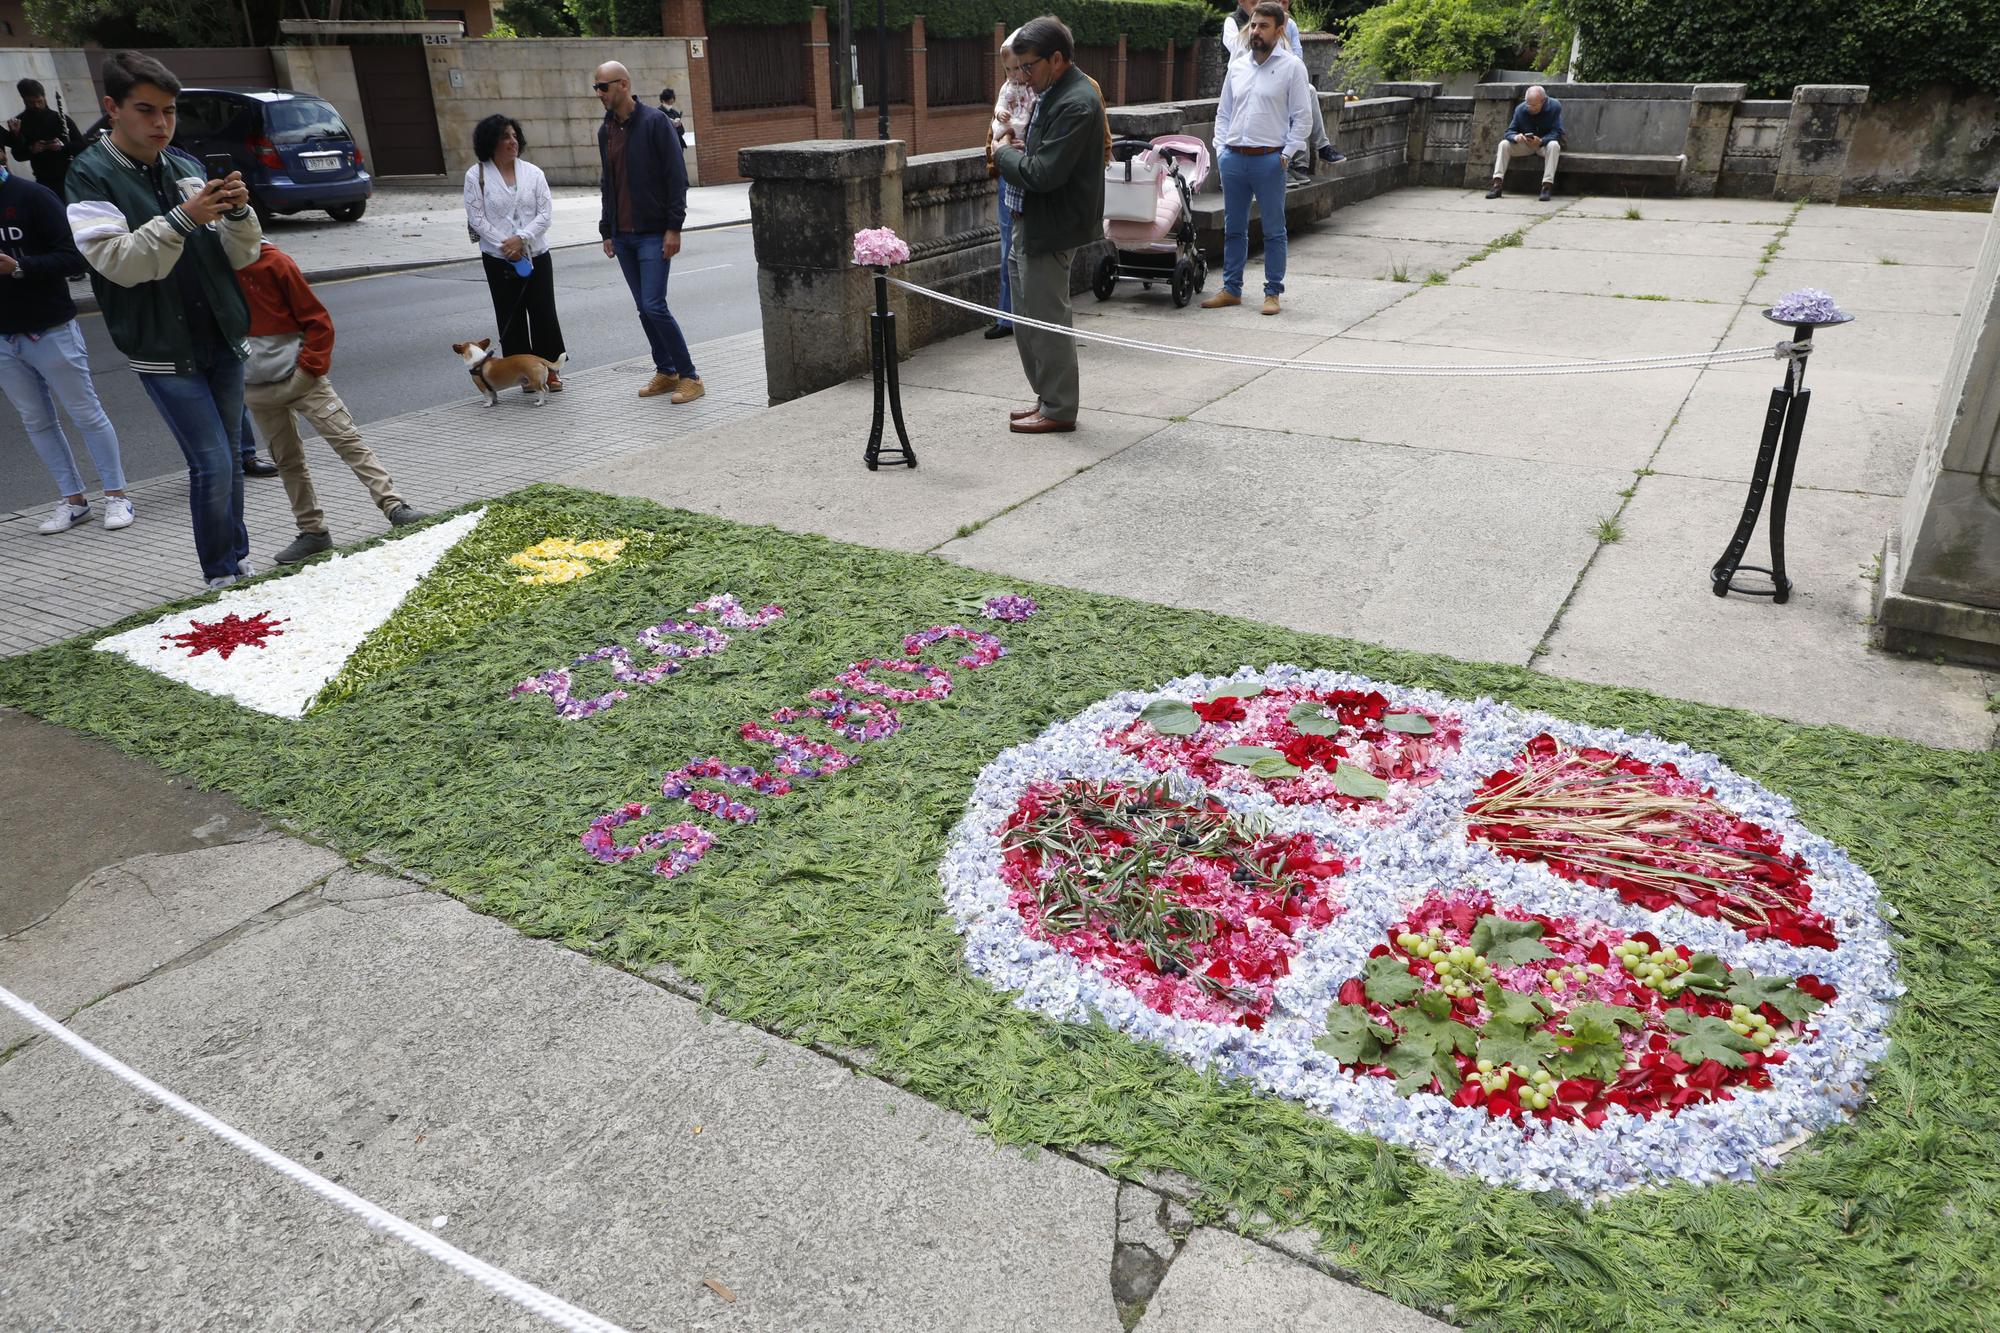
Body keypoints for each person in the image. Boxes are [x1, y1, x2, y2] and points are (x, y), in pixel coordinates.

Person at [66, 50, 261, 590]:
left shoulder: (185, 166)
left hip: (220, 332)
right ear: (112, 108)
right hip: (160, 344)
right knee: (212, 462)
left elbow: (240, 256)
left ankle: (236, 562)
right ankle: (220, 572)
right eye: (146, 110)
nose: (161, 123)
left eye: (169, 112)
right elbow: (120, 263)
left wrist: (239, 213)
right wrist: (183, 217)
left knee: (232, 460)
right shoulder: (89, 174)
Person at [237, 241, 427, 564]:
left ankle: (395, 506)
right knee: (286, 459)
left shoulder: (274, 263)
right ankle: (313, 531)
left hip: (301, 377)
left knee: (347, 439)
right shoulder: (211, 271)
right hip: (256, 386)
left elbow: (317, 319)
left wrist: (309, 369)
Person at [0, 157, 134, 535]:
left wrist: (20, 267)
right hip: (3, 339)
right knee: (36, 421)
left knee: (85, 413)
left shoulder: (33, 196)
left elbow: (74, 257)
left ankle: (117, 496)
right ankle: (73, 501)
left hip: (50, 328)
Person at [992, 16, 1104, 436]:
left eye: (1028, 66)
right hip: (1028, 217)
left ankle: (1059, 407)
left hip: (1051, 224)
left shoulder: (1076, 100)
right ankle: (1046, 397)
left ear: (1056, 59)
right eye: (1017, 67)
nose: (1021, 76)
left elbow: (1042, 173)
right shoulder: (1051, 90)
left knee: (1046, 318)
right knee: (1026, 317)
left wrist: (1001, 153)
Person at [594, 60, 702, 404]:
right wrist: (606, 229)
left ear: (623, 85)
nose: (599, 94)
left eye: (603, 87)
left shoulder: (656, 123)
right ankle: (666, 371)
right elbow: (607, 183)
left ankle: (690, 377)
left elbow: (676, 178)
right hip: (623, 236)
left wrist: (674, 227)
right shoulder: (606, 130)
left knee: (655, 305)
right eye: (596, 87)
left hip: (654, 232)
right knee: (644, 307)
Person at [1202, 2, 1312, 317]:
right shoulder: (1237, 67)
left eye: (1264, 26)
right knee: (1233, 228)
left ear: (1279, 31)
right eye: (1253, 25)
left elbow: (1302, 118)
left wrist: (1287, 154)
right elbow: (1223, 114)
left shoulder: (1292, 67)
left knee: (1274, 230)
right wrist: (1221, 150)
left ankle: (1272, 292)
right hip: (1234, 158)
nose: (1256, 31)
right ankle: (1231, 289)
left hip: (1269, 160)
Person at [464, 113, 565, 389]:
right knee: (511, 314)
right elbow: (477, 218)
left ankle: (549, 371)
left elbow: (545, 214)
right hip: (499, 259)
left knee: (544, 313)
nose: (513, 141)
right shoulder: (476, 176)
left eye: (514, 135)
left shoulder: (533, 173)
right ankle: (522, 374)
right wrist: (506, 245)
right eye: (505, 137)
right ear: (490, 142)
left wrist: (522, 238)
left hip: (536, 254)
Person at [1222, 1, 1338, 167]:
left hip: (1278, 75)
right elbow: (1237, 49)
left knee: (1305, 92)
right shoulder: (1235, 22)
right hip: (1245, 78)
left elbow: (1295, 55)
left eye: (1285, 2)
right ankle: (1309, 154)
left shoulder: (1287, 24)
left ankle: (1304, 157)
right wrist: (1221, 151)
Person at [984, 37, 1036, 341]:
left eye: (1019, 68)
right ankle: (1008, 316)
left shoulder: (1041, 90)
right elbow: (996, 120)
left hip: (1032, 169)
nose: (1014, 74)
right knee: (1008, 248)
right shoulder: (1008, 88)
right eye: (1009, 69)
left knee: (1027, 250)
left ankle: (1025, 317)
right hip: (1010, 168)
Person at [5, 79, 83, 198]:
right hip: (44, 181)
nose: (36, 105)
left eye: (39, 101)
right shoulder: (20, 123)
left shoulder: (60, 118)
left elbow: (82, 145)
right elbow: (18, 155)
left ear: (44, 97)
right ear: (24, 100)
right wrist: (32, 149)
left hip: (69, 178)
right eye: (31, 102)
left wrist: (62, 146)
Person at [1488, 85, 1565, 202]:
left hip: (1544, 145)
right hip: (1526, 145)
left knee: (1554, 145)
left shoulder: (1554, 106)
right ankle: (1497, 185)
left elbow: (1558, 132)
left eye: (1534, 105)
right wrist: (1515, 137)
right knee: (1504, 144)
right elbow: (1509, 132)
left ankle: (1546, 186)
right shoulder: (1520, 109)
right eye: (1528, 104)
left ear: (1543, 101)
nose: (1530, 108)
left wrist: (1542, 141)